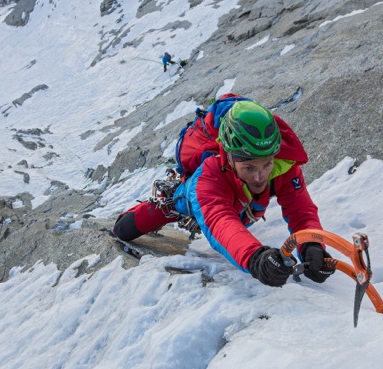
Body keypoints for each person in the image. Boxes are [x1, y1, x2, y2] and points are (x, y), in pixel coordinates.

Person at [113, 98, 336, 287]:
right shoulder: (209, 175)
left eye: (267, 165)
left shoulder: (283, 164)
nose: (260, 178)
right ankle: (158, 206)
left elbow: (300, 209)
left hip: (240, 201)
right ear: (230, 157)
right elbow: (221, 221)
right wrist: (255, 258)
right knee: (124, 229)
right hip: (197, 198)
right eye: (249, 168)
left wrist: (312, 246)